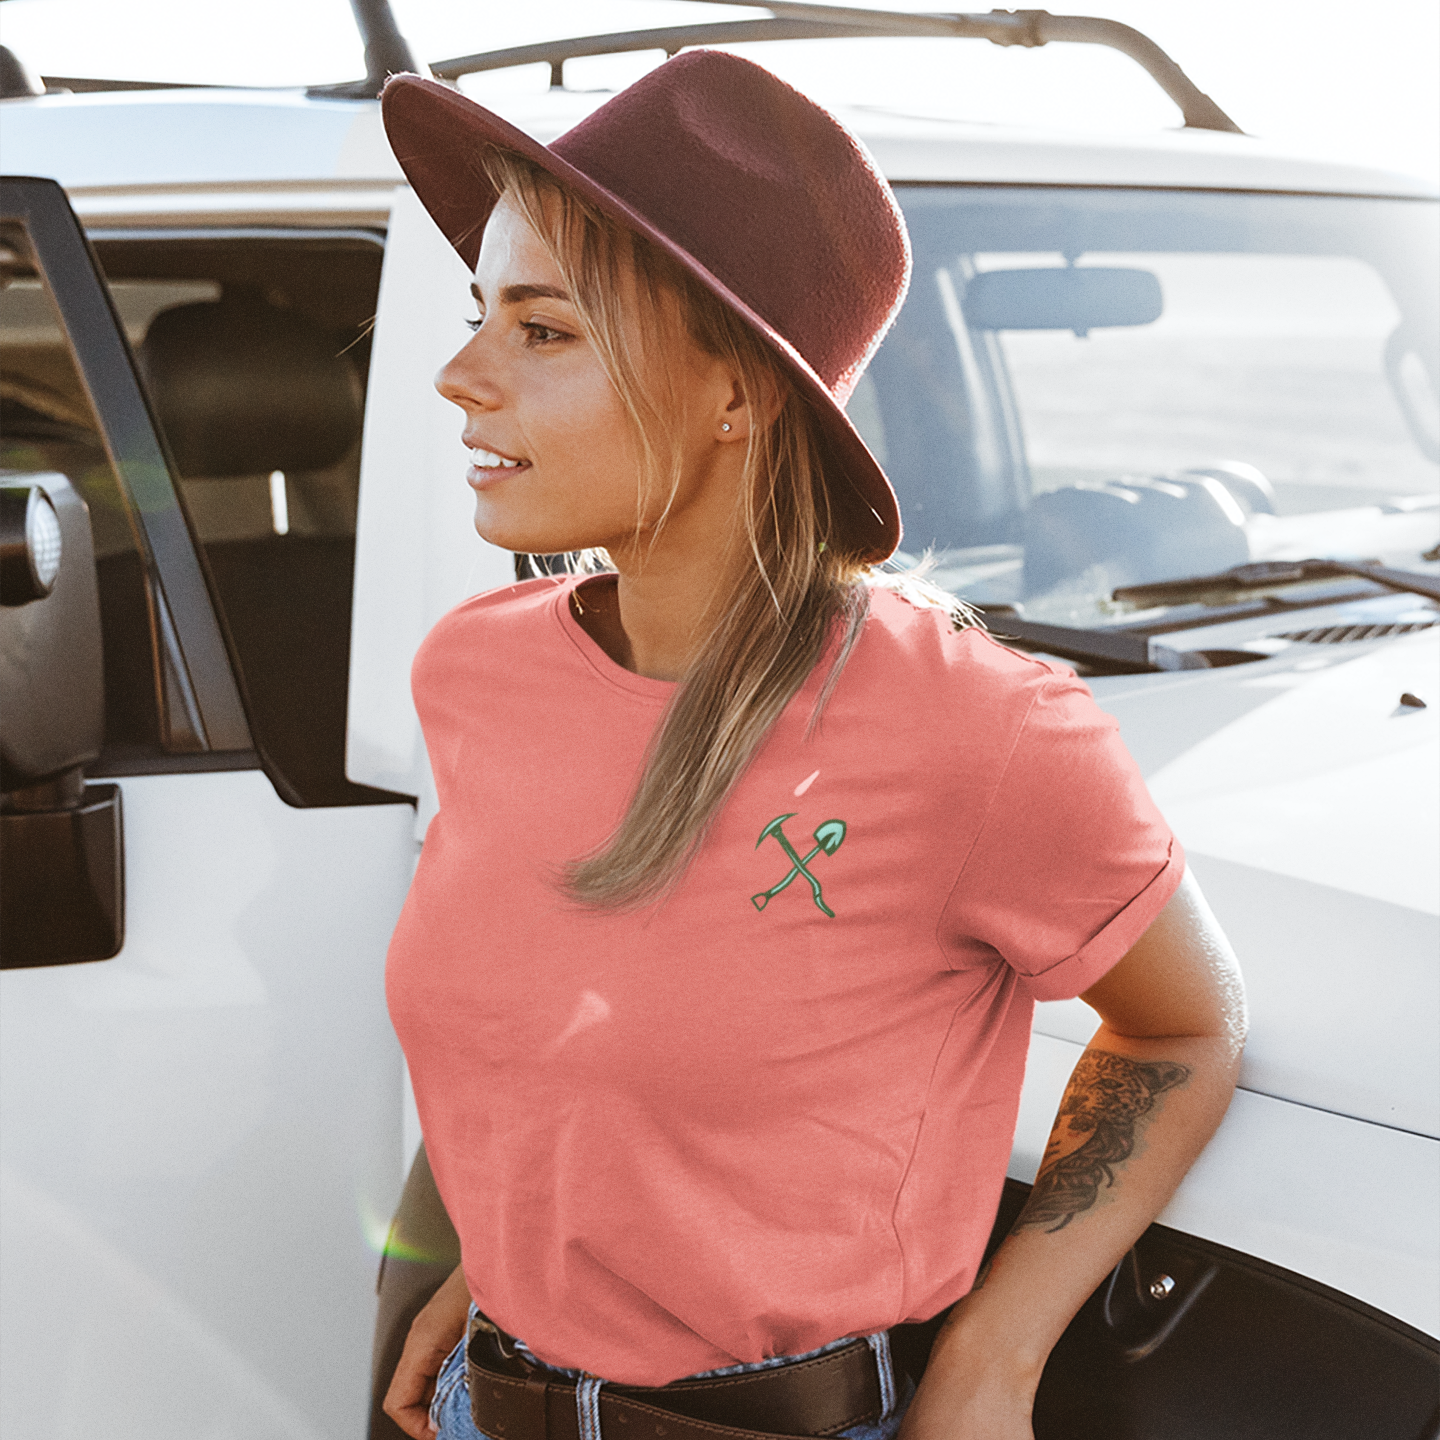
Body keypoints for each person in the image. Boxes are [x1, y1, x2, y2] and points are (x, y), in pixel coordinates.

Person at [377, 52, 1246, 1440]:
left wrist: (995, 1358)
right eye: (482, 315)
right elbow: (545, 1030)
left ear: (737, 394)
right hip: (495, 1401)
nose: (458, 376)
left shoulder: (982, 727)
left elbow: (1185, 1028)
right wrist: (509, 1270)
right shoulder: (474, 669)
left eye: (541, 332)